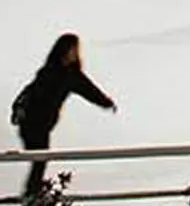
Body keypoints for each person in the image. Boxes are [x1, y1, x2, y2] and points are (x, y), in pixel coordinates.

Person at [12, 33, 116, 201]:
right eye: (72, 49)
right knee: (40, 158)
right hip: (32, 122)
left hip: (42, 124)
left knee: (40, 159)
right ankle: (31, 194)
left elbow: (89, 90)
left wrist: (106, 103)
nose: (74, 53)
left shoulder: (71, 75)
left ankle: (32, 193)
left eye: (76, 50)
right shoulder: (50, 72)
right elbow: (31, 93)